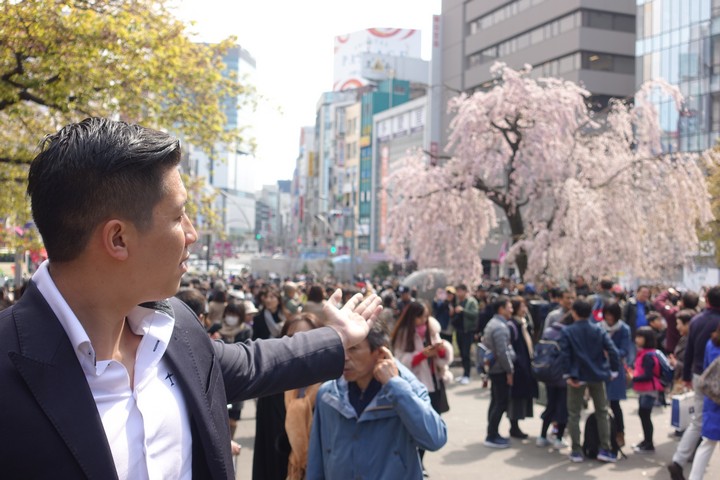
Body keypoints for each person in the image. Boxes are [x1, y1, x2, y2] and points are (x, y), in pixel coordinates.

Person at [0, 118, 383, 479]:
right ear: (118, 238)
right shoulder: (10, 366)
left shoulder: (175, 326)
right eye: (178, 216)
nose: (192, 234)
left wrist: (337, 336)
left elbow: (251, 364)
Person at [306, 321, 447, 479]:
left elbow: (435, 439)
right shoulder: (328, 394)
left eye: (353, 348)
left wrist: (395, 387)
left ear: (380, 352)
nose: (344, 357)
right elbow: (316, 460)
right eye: (341, 348)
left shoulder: (406, 388)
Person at [390, 300, 453, 475]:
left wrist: (439, 351)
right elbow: (400, 360)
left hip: (435, 381)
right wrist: (421, 355)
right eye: (421, 317)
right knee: (415, 424)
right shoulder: (404, 333)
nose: (425, 320)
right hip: (416, 383)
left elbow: (443, 356)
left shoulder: (432, 330)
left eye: (426, 316)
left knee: (431, 422)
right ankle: (414, 461)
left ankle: (421, 460)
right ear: (413, 317)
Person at [558, 299, 620, 463]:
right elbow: (612, 351)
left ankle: (576, 450)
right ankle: (605, 448)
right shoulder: (598, 330)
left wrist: (568, 375)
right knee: (602, 412)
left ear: (574, 312)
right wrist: (613, 371)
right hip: (597, 375)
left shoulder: (568, 331)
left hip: (577, 376)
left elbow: (564, 355)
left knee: (574, 414)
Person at [669, 285, 720, 480]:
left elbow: (689, 350)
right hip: (711, 379)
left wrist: (688, 376)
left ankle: (679, 460)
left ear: (707, 300)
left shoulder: (697, 320)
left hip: (702, 377)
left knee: (699, 422)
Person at [283, 313, 323, 480]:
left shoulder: (333, 385)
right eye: (291, 337)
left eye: (307, 337)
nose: (299, 344)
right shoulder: (274, 386)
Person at [481, 295, 516, 448]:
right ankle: (492, 435)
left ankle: (492, 432)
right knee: (500, 402)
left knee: (495, 401)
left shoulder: (493, 323)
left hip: (495, 369)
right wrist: (510, 371)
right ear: (501, 309)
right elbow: (503, 352)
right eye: (509, 307)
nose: (511, 310)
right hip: (500, 370)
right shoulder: (500, 327)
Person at [687, 323, 720, 480]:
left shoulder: (711, 343)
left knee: (707, 443)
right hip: (714, 399)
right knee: (708, 443)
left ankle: (695, 477)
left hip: (713, 398)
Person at [536, 312, 571, 450]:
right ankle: (559, 438)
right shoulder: (568, 333)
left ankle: (542, 436)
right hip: (562, 375)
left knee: (550, 405)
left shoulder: (549, 331)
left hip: (548, 374)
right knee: (563, 407)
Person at [600, 300, 632, 448]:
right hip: (600, 368)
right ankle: (602, 434)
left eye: (611, 315)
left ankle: (620, 432)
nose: (609, 318)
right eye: (607, 314)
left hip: (615, 368)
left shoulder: (624, 329)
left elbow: (625, 350)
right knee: (600, 404)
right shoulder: (598, 328)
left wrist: (610, 353)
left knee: (614, 403)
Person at [507, 296, 537, 439]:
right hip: (519, 367)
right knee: (516, 398)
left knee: (521, 397)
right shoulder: (513, 325)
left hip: (525, 365)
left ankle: (516, 425)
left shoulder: (523, 323)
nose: (525, 309)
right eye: (522, 307)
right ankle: (514, 426)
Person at [631, 326, 664, 454]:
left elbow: (648, 375)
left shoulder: (648, 355)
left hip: (649, 389)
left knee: (645, 415)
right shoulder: (647, 353)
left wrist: (633, 377)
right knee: (644, 415)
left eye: (640, 337)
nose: (637, 339)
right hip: (647, 389)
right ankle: (646, 441)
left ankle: (648, 443)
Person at [454, 283, 479, 385]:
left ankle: (467, 374)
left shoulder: (471, 302)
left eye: (460, 291)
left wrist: (463, 311)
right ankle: (464, 373)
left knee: (466, 353)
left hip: (467, 331)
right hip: (459, 330)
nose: (458, 293)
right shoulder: (458, 301)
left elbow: (475, 314)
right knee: (462, 354)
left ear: (465, 291)